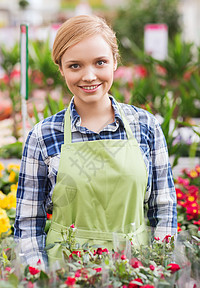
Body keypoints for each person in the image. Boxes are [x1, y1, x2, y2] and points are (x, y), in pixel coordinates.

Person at [14, 14, 177, 268]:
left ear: (115, 62)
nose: (89, 76)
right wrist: (40, 280)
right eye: (75, 66)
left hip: (135, 275)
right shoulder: (43, 136)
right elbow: (27, 223)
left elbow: (164, 209)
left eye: (100, 62)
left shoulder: (146, 127)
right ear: (61, 69)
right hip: (65, 278)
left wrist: (158, 271)